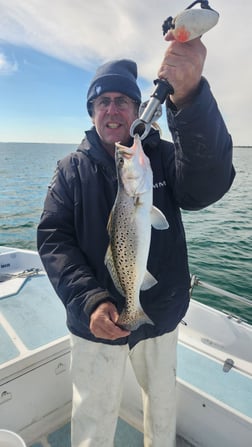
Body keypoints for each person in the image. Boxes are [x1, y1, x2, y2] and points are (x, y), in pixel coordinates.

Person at [37, 32, 235, 447]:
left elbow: (207, 185)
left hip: (160, 314)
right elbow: (54, 240)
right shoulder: (70, 169)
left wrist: (191, 98)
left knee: (162, 412)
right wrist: (89, 300)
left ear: (135, 109)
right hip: (95, 321)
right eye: (102, 102)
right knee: (92, 417)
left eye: (122, 101)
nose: (112, 110)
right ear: (92, 112)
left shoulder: (160, 157)